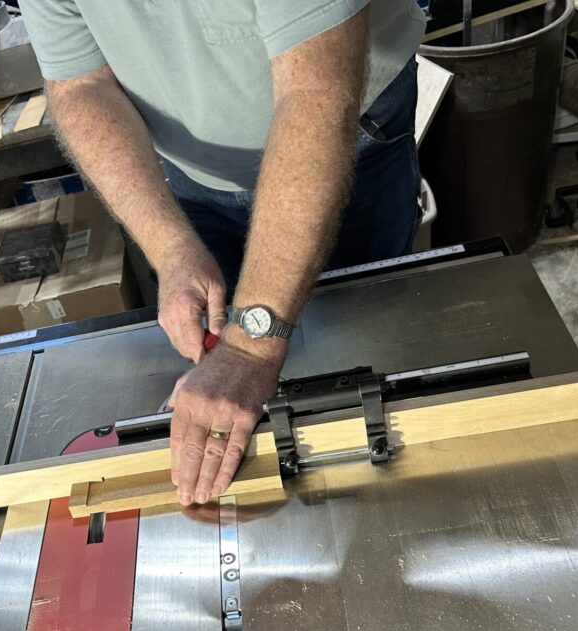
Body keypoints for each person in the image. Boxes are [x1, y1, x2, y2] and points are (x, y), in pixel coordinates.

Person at [22, 0, 426, 505]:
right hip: (193, 173)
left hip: (352, 135)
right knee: (232, 375)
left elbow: (317, 93)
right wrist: (173, 251)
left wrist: (250, 346)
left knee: (373, 359)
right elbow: (80, 86)